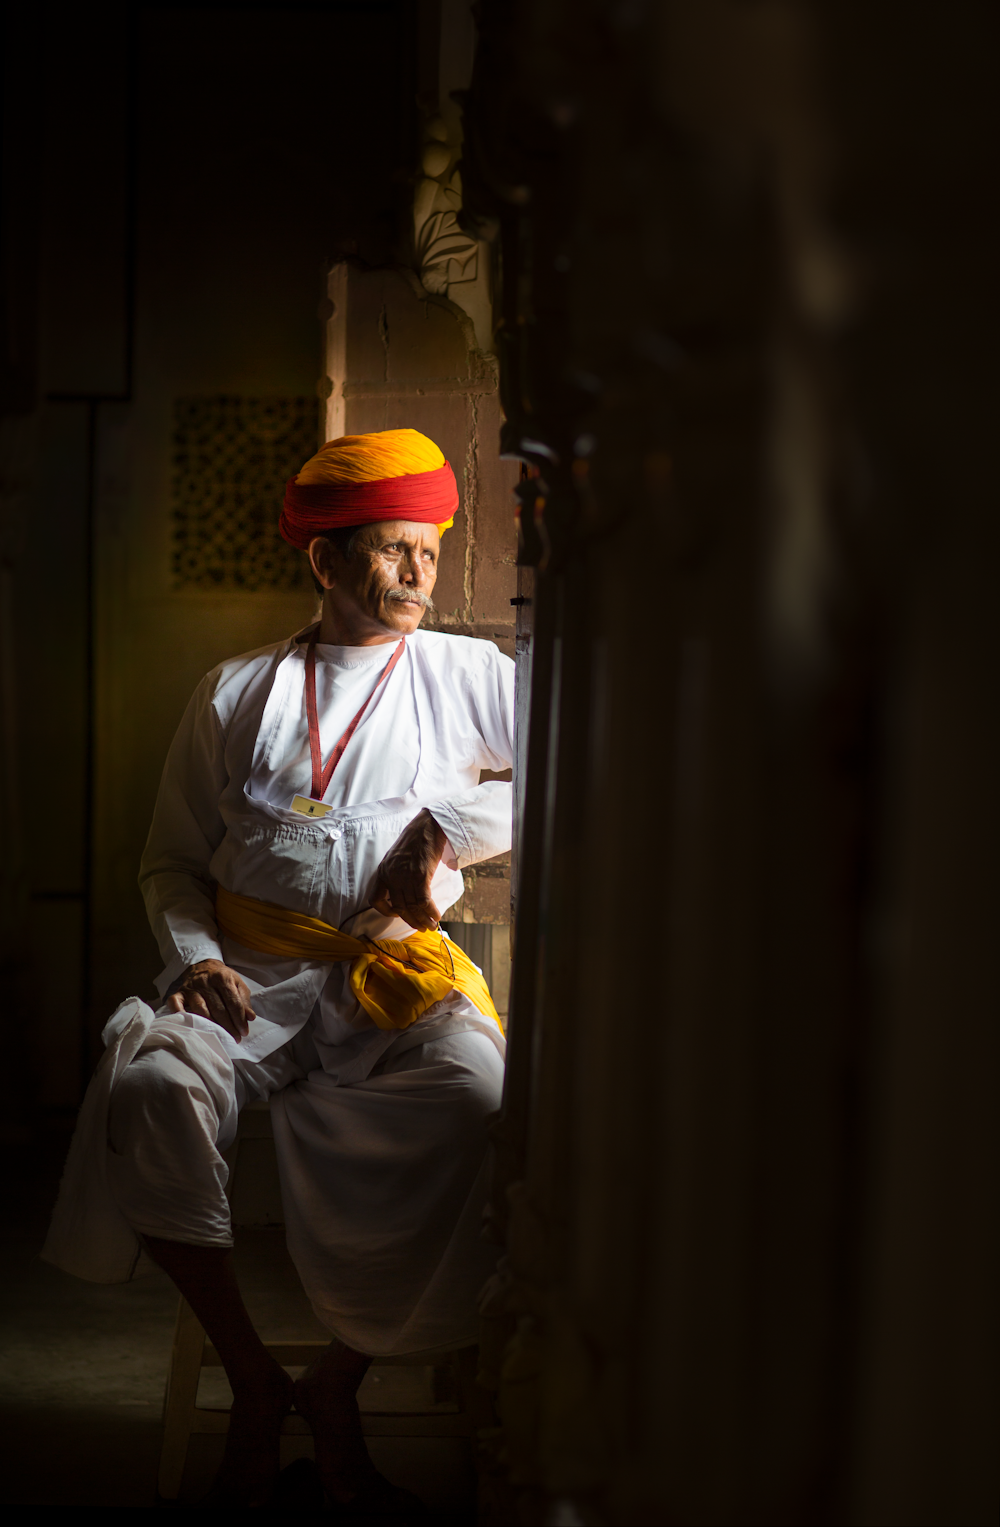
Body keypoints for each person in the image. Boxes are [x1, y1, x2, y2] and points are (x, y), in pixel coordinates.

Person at [43, 428, 513, 1510]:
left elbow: (561, 764)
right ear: (326, 563)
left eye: (428, 554)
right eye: (392, 551)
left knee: (484, 1097)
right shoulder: (238, 689)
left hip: (387, 983)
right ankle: (254, 1381)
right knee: (153, 1085)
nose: (415, 576)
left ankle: (337, 1382)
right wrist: (198, 961)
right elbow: (167, 862)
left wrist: (447, 827)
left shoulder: (461, 672)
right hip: (249, 980)